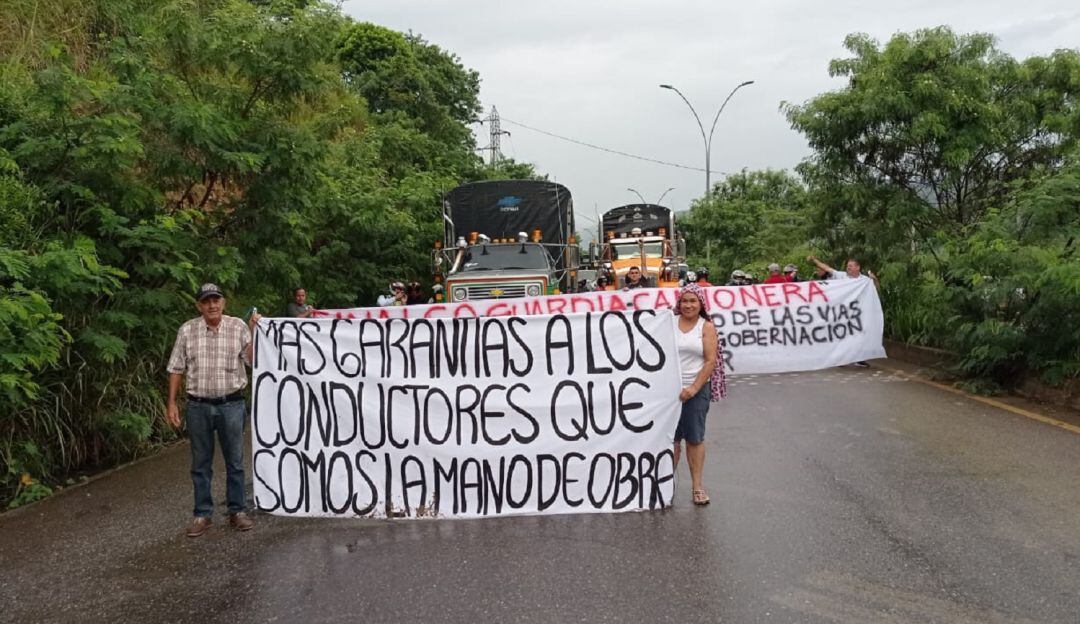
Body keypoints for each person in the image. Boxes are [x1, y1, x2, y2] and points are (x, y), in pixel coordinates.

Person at [166, 283, 260, 537]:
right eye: (206, 301)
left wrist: (253, 330)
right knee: (200, 463)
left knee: (235, 461)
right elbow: (176, 367)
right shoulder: (187, 330)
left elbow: (251, 361)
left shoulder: (237, 327)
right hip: (198, 405)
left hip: (232, 403)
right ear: (199, 306)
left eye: (216, 300)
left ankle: (237, 511)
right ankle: (202, 514)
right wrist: (172, 403)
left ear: (223, 303)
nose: (212, 305)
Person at [673, 283, 725, 506]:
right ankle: (666, 485)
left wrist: (693, 388)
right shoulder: (668, 323)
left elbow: (710, 361)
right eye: (684, 301)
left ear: (701, 303)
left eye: (693, 301)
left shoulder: (707, 327)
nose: (688, 305)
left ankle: (697, 487)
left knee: (694, 438)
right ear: (679, 303)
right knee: (670, 440)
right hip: (669, 392)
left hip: (696, 388)